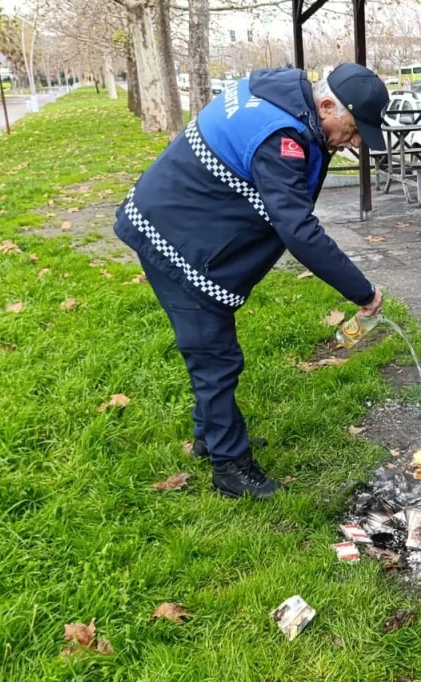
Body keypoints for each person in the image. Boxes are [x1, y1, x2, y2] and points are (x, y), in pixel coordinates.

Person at [114, 63, 389, 499]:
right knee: (214, 357)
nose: (354, 143)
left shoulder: (283, 95)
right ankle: (230, 468)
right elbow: (297, 228)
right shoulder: (281, 137)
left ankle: (210, 437)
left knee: (214, 348)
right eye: (353, 130)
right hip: (173, 234)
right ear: (325, 104)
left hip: (185, 221)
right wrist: (363, 290)